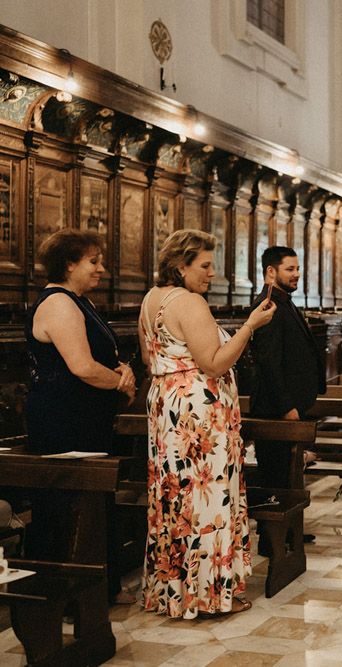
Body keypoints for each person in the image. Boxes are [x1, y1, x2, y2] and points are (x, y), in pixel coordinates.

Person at [139, 229, 275, 619]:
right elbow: (214, 363)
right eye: (204, 265)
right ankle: (209, 596)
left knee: (175, 499)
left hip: (168, 407)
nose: (211, 274)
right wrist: (249, 326)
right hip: (198, 419)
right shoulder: (190, 302)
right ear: (179, 266)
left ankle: (175, 593)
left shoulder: (152, 299)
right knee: (205, 499)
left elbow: (151, 360)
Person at [24, 228, 137, 604]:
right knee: (67, 505)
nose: (101, 269)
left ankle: (97, 592)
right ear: (69, 264)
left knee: (92, 504)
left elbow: (102, 355)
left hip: (84, 417)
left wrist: (122, 368)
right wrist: (122, 384)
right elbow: (83, 367)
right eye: (94, 261)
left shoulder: (79, 301)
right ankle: (65, 597)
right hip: (63, 421)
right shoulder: (58, 303)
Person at [248, 246, 325, 489]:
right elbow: (268, 361)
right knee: (277, 480)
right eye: (290, 269)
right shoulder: (268, 306)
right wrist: (286, 407)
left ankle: (289, 517)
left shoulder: (283, 302)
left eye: (298, 268)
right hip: (276, 411)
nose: (296, 274)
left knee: (288, 478)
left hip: (288, 407)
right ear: (271, 272)